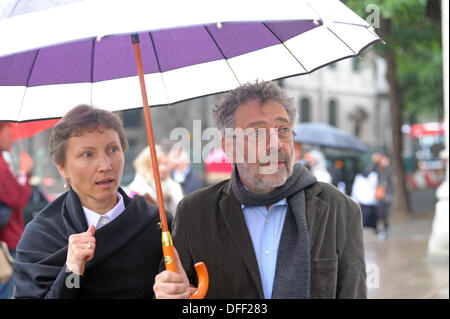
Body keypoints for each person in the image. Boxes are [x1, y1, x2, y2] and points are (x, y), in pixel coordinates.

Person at [153, 81, 367, 299]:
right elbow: (177, 291)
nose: (275, 144)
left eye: (283, 130)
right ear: (229, 147)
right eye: (258, 133)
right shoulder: (194, 214)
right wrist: (169, 293)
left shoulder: (340, 210)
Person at [13, 105, 170, 298]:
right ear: (62, 168)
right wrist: (72, 272)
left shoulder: (156, 224)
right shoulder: (42, 236)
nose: (105, 165)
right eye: (87, 154)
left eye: (112, 149)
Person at [0, 123, 33, 299]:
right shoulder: (1, 165)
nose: (11, 137)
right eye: (7, 133)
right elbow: (18, 198)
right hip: (6, 240)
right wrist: (23, 170)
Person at [127, 146, 184, 215]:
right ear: (146, 165)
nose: (163, 168)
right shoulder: (137, 189)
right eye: (158, 164)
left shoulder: (173, 186)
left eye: (165, 163)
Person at [366, 152, 393, 239]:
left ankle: (385, 230)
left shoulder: (388, 168)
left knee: (384, 213)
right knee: (379, 213)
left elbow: (390, 175)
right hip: (378, 193)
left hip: (386, 193)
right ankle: (381, 230)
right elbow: (368, 171)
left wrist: (386, 165)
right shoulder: (376, 168)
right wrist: (374, 162)